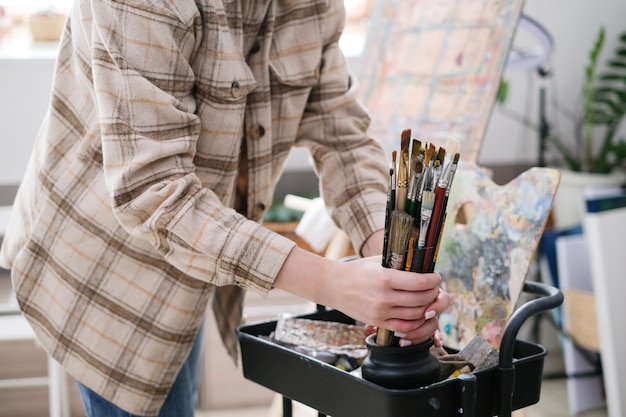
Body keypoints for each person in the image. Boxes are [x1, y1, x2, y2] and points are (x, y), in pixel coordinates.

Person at [0, 1, 450, 416]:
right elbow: (155, 190)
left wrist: (389, 266)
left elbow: (342, 136)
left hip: (196, 259)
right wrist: (335, 282)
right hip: (105, 273)